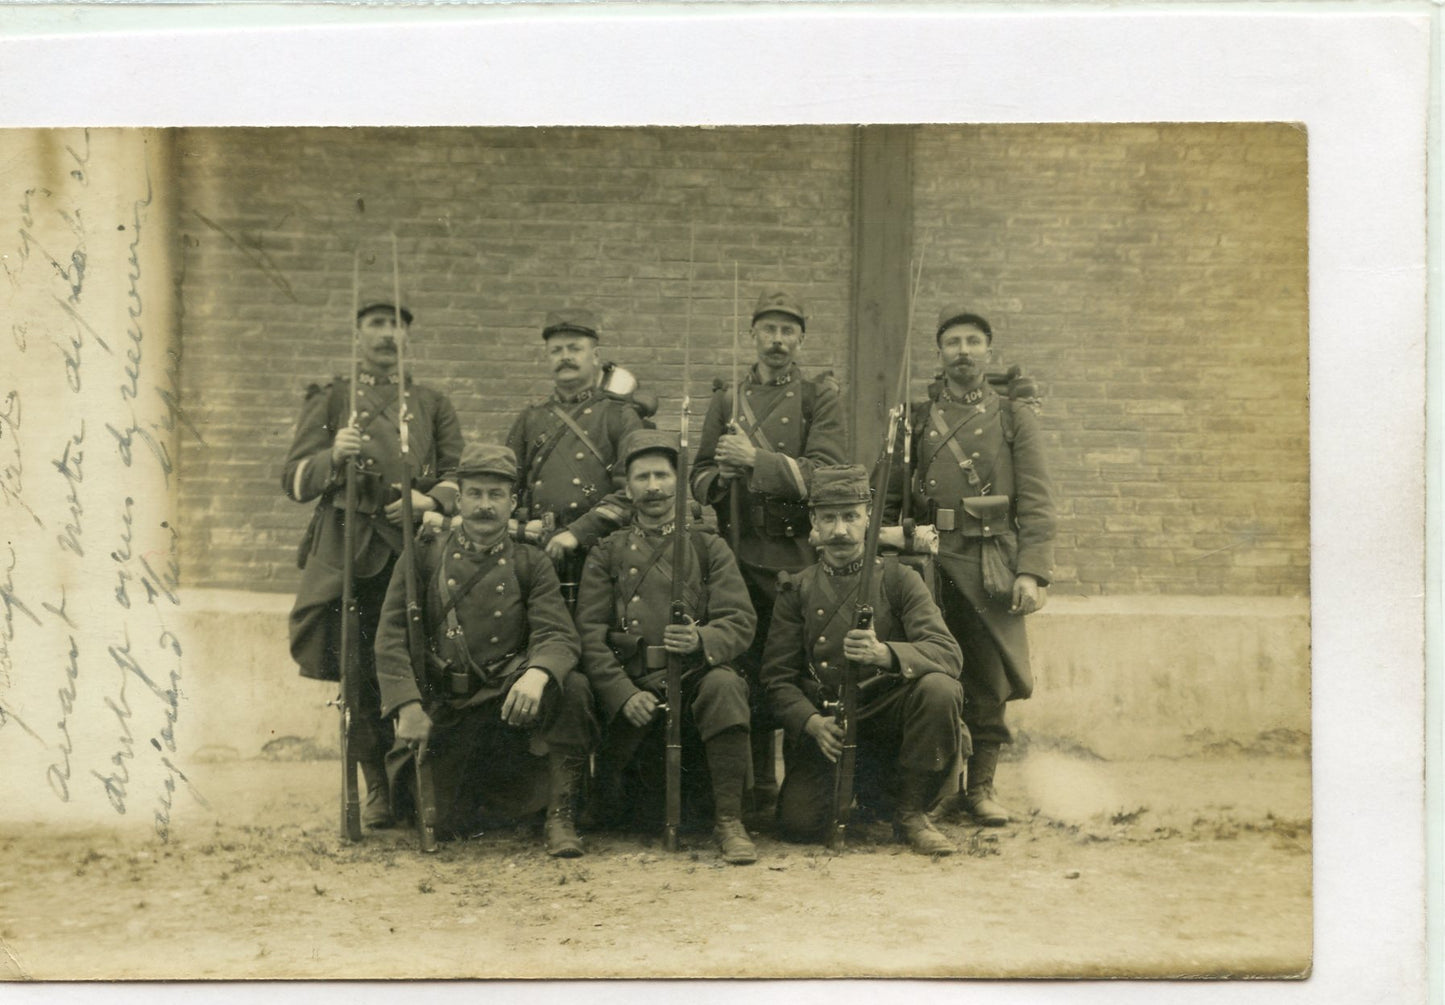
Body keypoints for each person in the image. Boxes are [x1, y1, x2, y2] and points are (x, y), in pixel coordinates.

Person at [283, 298, 463, 830]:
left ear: (409, 339)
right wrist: (330, 455)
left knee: (416, 664)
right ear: (358, 336)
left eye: (396, 327)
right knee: (359, 671)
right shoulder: (334, 399)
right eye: (376, 325)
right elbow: (293, 477)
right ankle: (378, 789)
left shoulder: (432, 403)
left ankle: (413, 781)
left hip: (412, 549)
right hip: (350, 552)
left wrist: (429, 501)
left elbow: (456, 473)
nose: (387, 335)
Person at [373, 443, 598, 856]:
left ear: (512, 503)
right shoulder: (424, 554)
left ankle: (560, 817)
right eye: (475, 494)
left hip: (507, 704)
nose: (484, 506)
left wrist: (538, 673)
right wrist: (407, 706)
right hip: (448, 708)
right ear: (458, 500)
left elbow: (559, 635)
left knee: (574, 687)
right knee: (445, 820)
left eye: (496, 496)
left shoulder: (530, 562)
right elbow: (390, 636)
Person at [884, 308, 1056, 826]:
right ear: (940, 353)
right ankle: (932, 790)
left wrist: (1032, 571)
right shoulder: (915, 418)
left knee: (988, 680)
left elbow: (1037, 500)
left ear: (988, 351)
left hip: (988, 565)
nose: (963, 350)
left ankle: (980, 789)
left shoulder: (1013, 417)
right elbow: (892, 495)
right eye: (953, 342)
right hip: (929, 564)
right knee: (932, 675)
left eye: (973, 341)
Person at [690, 289, 847, 812]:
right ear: (752, 335)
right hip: (739, 556)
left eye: (788, 332)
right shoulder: (725, 400)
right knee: (746, 666)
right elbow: (696, 478)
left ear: (801, 339)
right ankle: (756, 786)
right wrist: (720, 476)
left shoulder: (818, 398)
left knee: (797, 669)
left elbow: (825, 472)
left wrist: (755, 459)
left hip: (799, 555)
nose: (777, 341)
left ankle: (798, 785)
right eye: (768, 330)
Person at [575, 430, 760, 864]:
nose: (653, 486)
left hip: (692, 684)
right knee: (636, 812)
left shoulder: (707, 547)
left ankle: (730, 822)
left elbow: (740, 620)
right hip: (635, 689)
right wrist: (623, 694)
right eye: (642, 477)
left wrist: (702, 640)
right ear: (626, 487)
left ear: (678, 483)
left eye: (662, 475)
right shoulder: (607, 552)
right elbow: (589, 634)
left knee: (725, 686)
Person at [761, 465, 966, 854]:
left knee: (940, 688)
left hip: (889, 719)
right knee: (798, 824)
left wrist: (886, 654)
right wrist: (812, 723)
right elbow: (776, 678)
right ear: (814, 522)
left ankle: (910, 813)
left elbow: (947, 652)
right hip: (830, 727)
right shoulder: (796, 589)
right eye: (829, 518)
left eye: (851, 516)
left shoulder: (899, 579)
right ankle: (866, 794)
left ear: (868, 518)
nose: (840, 530)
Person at [505, 308, 645, 608]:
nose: (564, 356)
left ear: (595, 355)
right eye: (556, 350)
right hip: (538, 552)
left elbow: (633, 491)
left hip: (602, 553)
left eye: (574, 348)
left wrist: (577, 533)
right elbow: (507, 488)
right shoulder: (530, 419)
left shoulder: (619, 415)